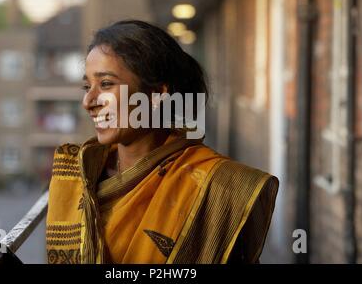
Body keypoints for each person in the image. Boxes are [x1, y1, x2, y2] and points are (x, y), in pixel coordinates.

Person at [45, 20, 279, 264]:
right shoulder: (76, 173)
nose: (88, 101)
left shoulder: (217, 185)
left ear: (156, 95)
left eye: (105, 84)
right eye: (87, 86)